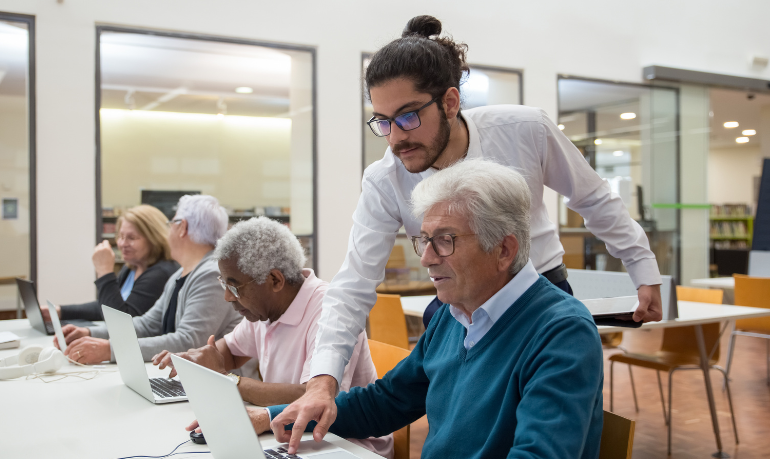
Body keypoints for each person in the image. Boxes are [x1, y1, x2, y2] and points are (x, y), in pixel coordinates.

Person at [282, 15, 663, 448]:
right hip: (458, 305)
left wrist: (643, 269)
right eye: (382, 121)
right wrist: (322, 381)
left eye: (408, 117)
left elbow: (592, 198)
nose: (395, 138)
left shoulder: (524, 130)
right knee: (457, 427)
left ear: (449, 102)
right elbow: (353, 285)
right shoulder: (385, 177)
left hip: (536, 297)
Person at [267, 159, 604, 457]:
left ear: (504, 250)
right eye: (425, 240)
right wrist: (272, 417)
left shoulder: (562, 331)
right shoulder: (454, 314)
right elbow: (386, 402)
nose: (426, 258)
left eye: (445, 240)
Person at [152, 217, 393, 459]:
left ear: (275, 280)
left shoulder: (329, 311)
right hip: (291, 432)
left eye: (234, 287)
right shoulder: (263, 310)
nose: (227, 297)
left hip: (347, 442)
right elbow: (229, 353)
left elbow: (312, 397)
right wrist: (195, 361)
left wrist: (228, 379)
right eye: (224, 284)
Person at [57, 195, 255, 380]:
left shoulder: (211, 275)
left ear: (182, 227)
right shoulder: (180, 274)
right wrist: (91, 333)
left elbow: (188, 342)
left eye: (171, 223)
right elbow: (148, 325)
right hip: (190, 379)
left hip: (218, 385)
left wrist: (110, 349)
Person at [45, 205, 179, 322]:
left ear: (154, 239)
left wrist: (105, 272)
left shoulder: (160, 274)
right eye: (121, 236)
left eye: (131, 238)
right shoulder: (131, 268)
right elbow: (107, 306)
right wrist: (60, 311)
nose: (123, 244)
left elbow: (121, 320)